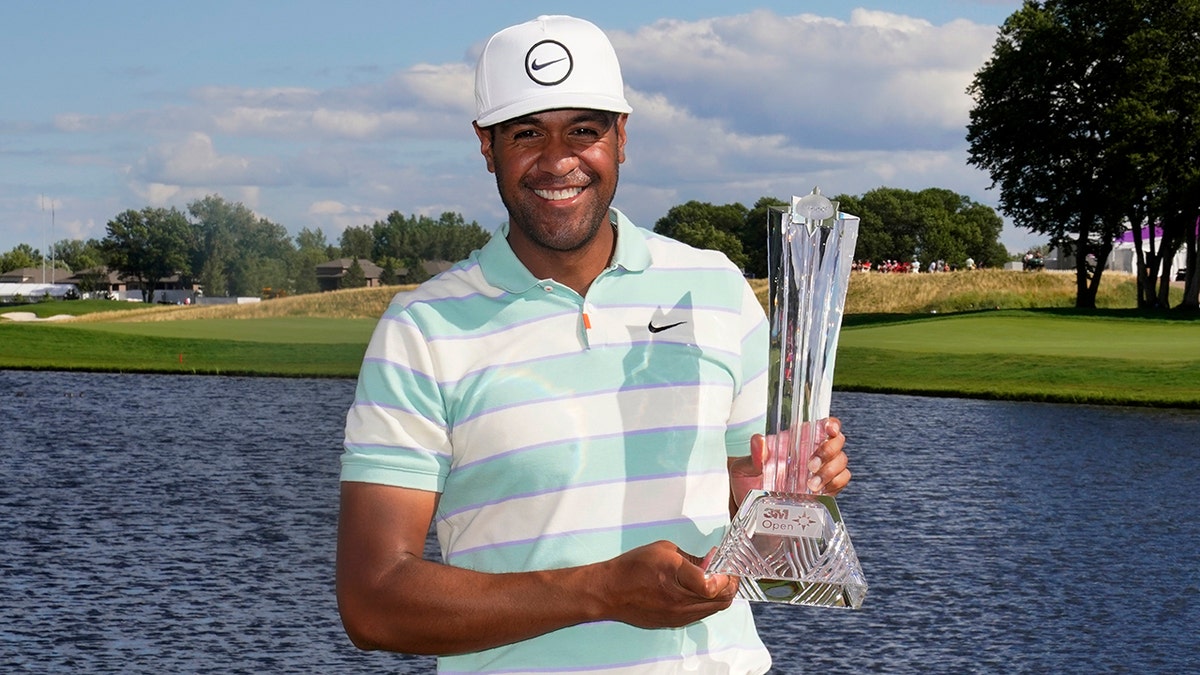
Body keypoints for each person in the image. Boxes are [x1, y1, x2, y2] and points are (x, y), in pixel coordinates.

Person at [336, 15, 850, 674]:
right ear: (486, 146)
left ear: (622, 136)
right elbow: (373, 601)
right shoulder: (422, 330)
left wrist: (769, 494)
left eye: (584, 128)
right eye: (526, 133)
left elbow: (762, 530)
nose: (557, 160)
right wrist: (599, 591)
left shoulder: (714, 288)